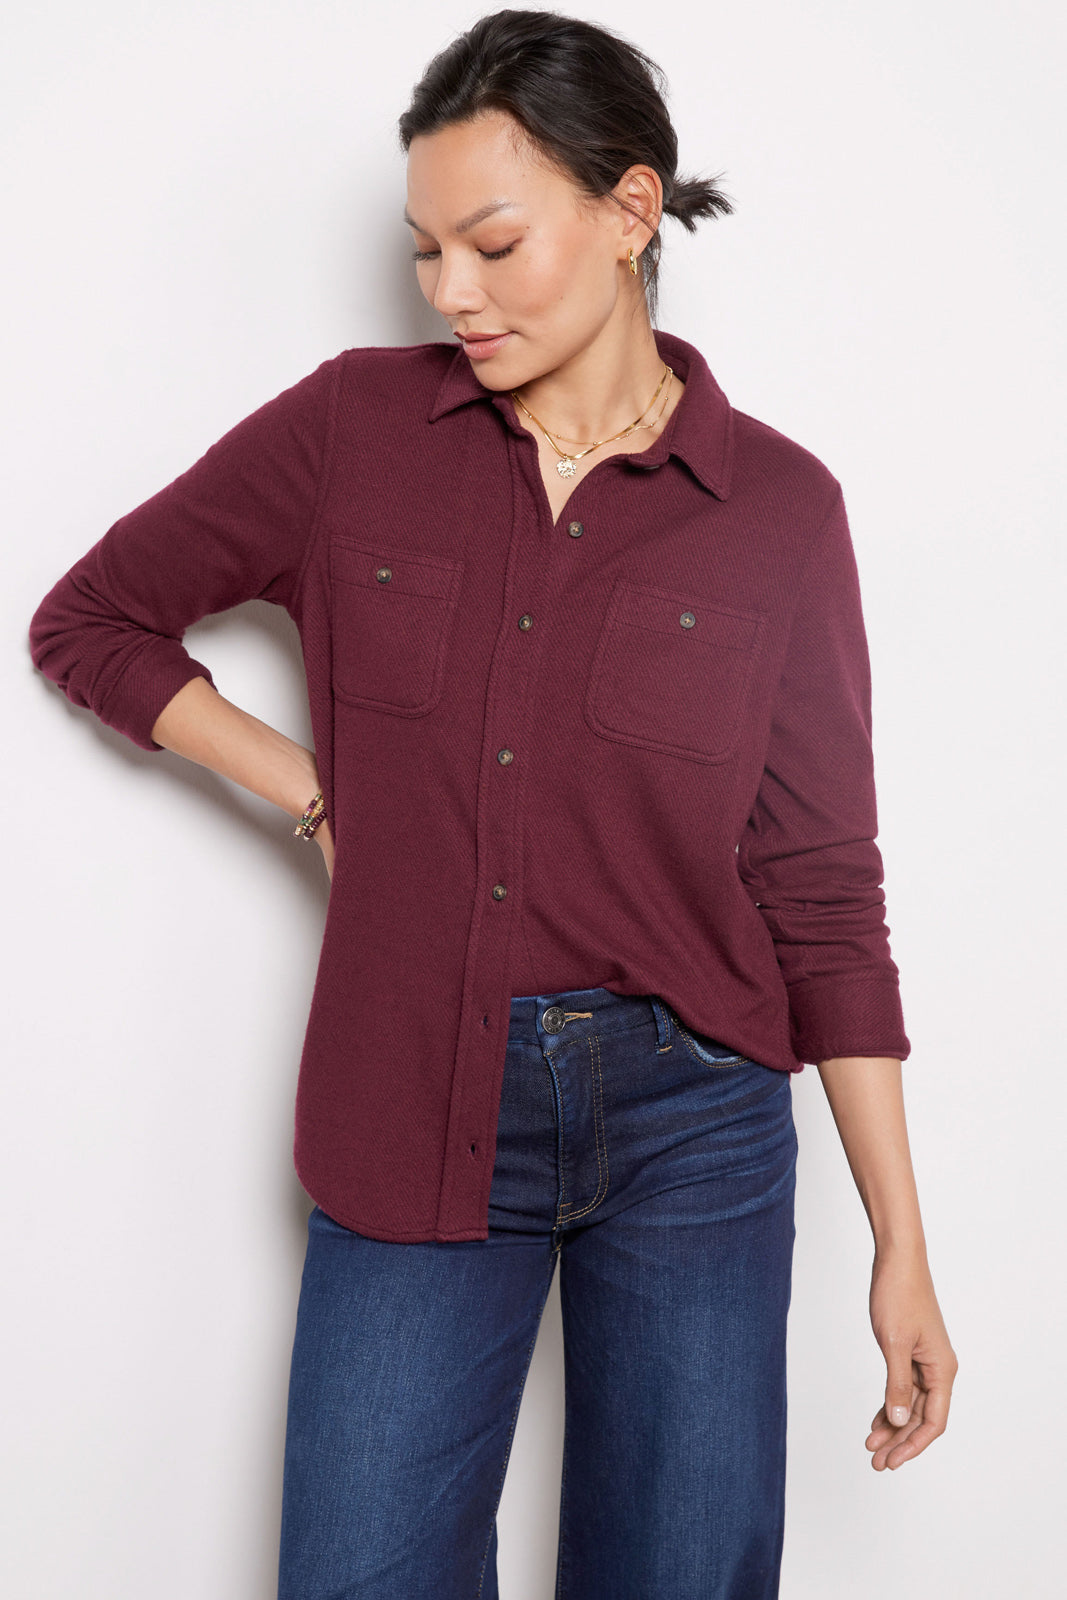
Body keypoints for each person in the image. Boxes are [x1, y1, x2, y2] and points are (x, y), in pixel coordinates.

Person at [27, 8, 957, 1598]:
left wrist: (904, 1247)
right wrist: (310, 789)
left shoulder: (780, 510)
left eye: (494, 244)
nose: (451, 290)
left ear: (631, 211)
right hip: (413, 1081)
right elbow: (91, 619)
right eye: (425, 252)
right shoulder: (350, 431)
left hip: (698, 1119)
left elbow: (820, 886)